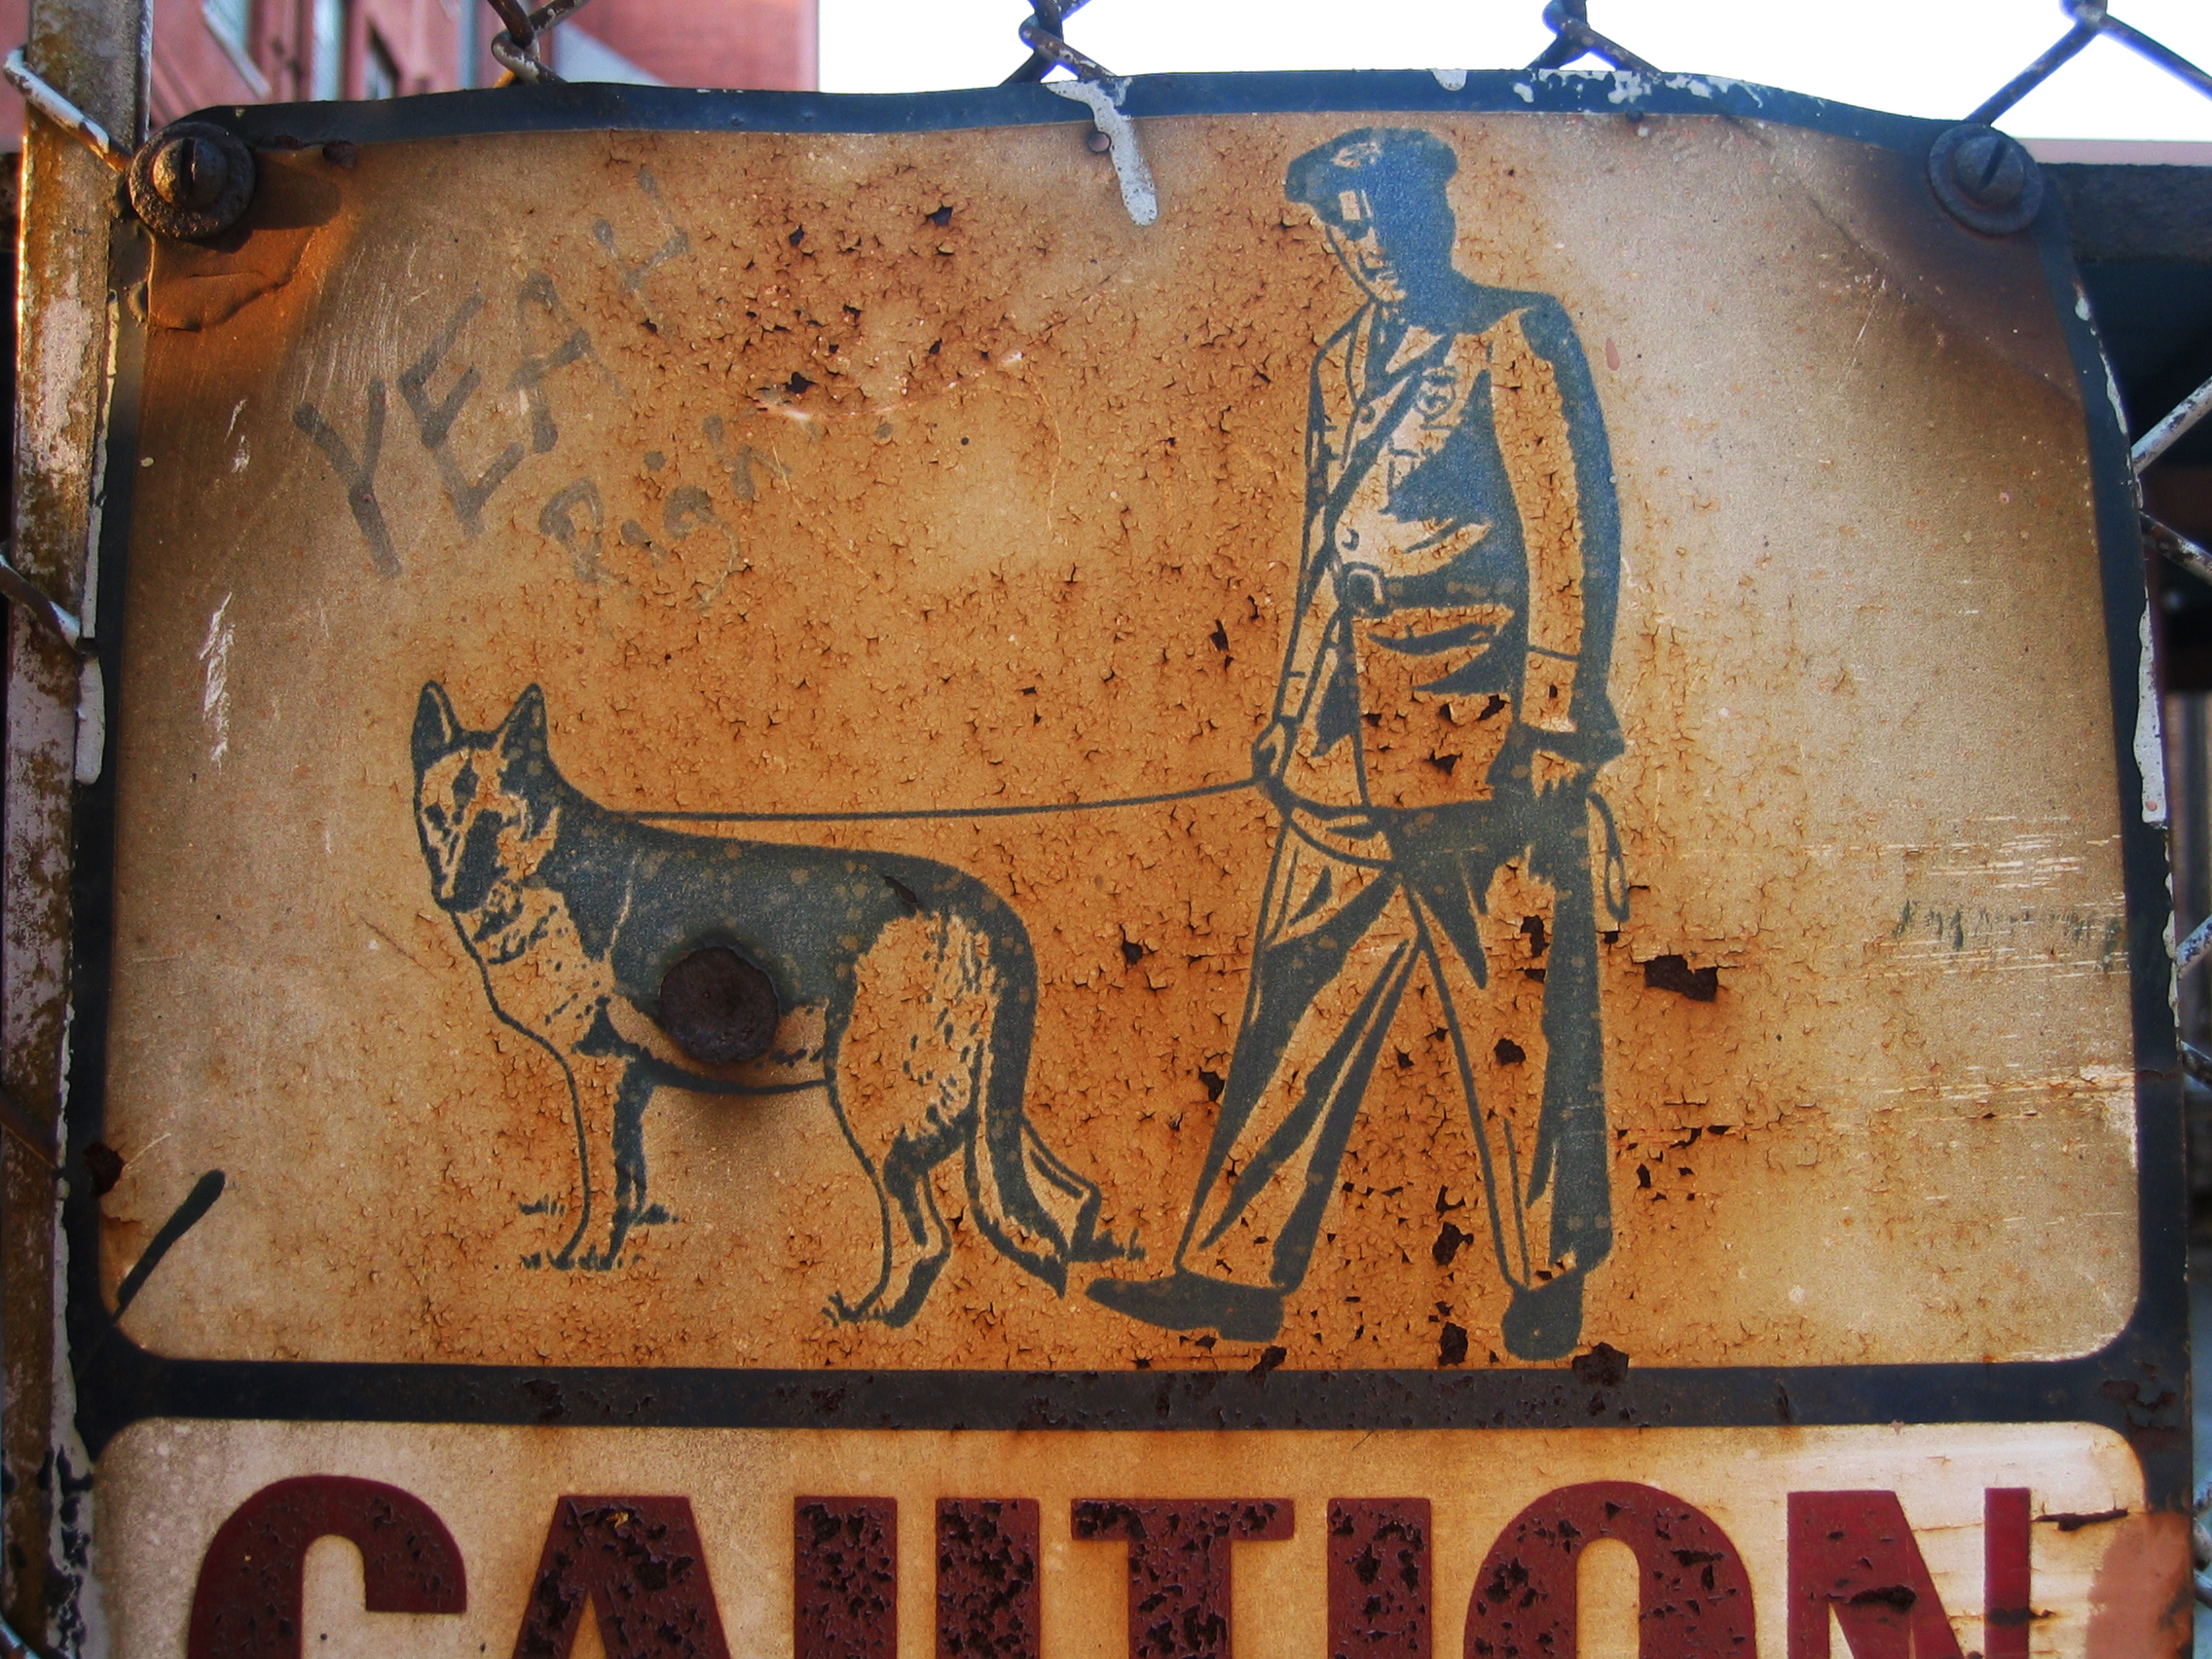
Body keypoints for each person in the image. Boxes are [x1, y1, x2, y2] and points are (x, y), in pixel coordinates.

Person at [1086, 127, 1625, 1361]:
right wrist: (1290, 707)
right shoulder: (1340, 360)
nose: (1370, 244)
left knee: (1511, 1012)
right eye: (1346, 226)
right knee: (1294, 991)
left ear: (1435, 212)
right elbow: (1325, 550)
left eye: (1386, 216)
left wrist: (1554, 715)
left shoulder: (1512, 335)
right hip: (1341, 734)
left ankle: (1547, 1277)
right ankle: (1230, 1273)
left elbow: (1569, 529)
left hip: (1478, 735)